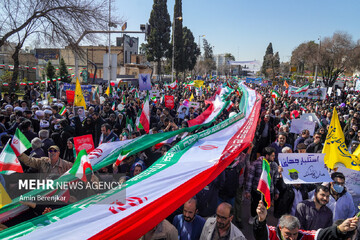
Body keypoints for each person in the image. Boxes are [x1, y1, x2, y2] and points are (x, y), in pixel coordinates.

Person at [254, 200, 359, 240]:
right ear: (280, 228)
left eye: (294, 234)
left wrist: (340, 229)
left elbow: (323, 234)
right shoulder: (271, 233)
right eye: (288, 234)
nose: (292, 238)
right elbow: (260, 233)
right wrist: (261, 220)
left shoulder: (304, 236)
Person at [245, 146, 278, 224]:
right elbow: (250, 178)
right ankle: (253, 217)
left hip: (269, 192)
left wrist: (276, 191)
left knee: (266, 207)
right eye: (272, 155)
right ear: (267, 156)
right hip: (257, 192)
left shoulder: (274, 165)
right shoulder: (255, 164)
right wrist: (247, 191)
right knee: (255, 206)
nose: (274, 157)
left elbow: (275, 180)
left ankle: (262, 220)